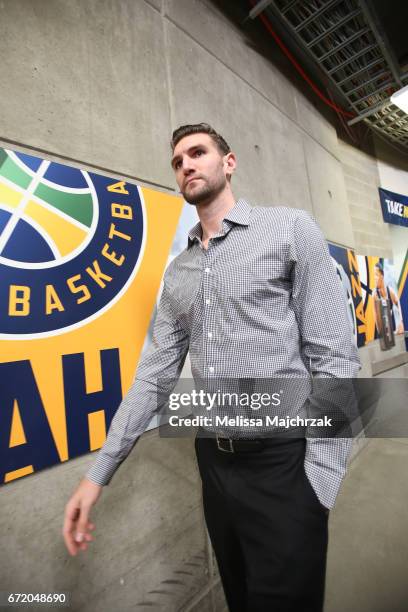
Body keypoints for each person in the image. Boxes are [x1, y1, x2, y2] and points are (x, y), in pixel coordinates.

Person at [63, 123, 361, 612]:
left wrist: (321, 475)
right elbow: (153, 378)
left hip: (284, 464)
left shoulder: (289, 229)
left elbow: (333, 356)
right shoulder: (178, 273)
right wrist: (97, 475)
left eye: (197, 153)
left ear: (229, 161)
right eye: (178, 162)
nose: (186, 166)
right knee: (241, 597)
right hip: (216, 467)